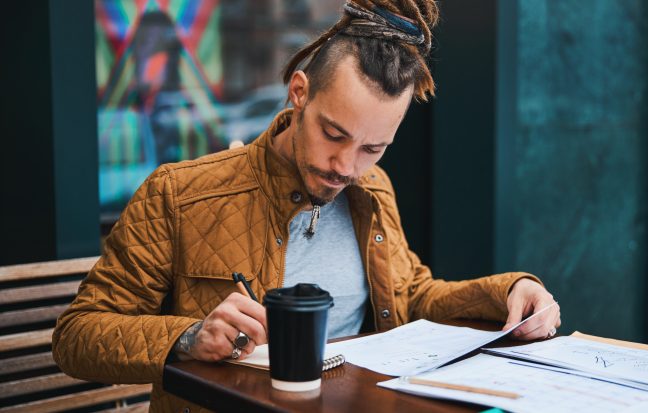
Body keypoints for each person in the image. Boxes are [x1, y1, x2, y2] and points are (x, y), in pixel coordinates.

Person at [53, 1, 560, 411]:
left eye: (372, 148)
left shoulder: (373, 190)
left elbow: (412, 297)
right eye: (333, 134)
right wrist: (188, 336)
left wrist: (509, 290)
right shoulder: (179, 195)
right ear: (299, 93)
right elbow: (77, 334)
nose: (346, 165)